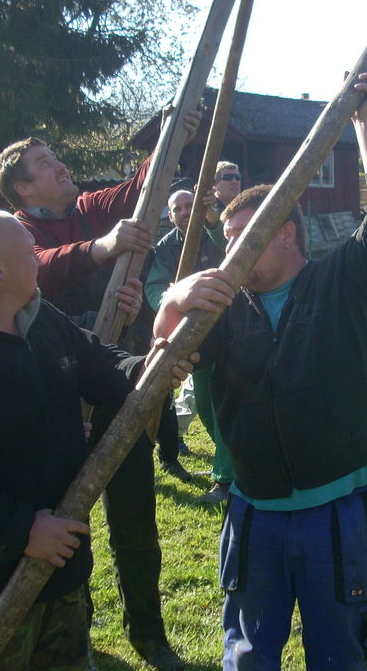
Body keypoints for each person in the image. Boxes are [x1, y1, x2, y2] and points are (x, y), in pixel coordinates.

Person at [153, 62, 367, 670]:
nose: (233, 249)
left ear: (288, 234)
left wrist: (366, 124)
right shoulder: (218, 309)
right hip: (254, 512)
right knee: (247, 657)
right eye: (227, 237)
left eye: (247, 234)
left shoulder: (342, 283)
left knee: (338, 653)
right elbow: (163, 365)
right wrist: (171, 302)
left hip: (336, 510)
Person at [0, 211, 195, 670]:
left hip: (59, 566)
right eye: (28, 254)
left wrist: (143, 370)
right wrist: (22, 531)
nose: (37, 262)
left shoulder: (36, 317)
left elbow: (96, 360)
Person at [0, 128, 197, 671]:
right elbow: (41, 266)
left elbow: (143, 187)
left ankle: (149, 635)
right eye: (45, 163)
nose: (60, 166)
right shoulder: (18, 233)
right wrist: (103, 250)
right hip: (56, 402)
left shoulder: (86, 208)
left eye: (56, 157)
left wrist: (174, 135)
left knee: (135, 521)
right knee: (63, 530)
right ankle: (69, 633)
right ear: (23, 188)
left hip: (114, 387)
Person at [145, 189, 234, 503]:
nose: (185, 212)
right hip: (196, 337)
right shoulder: (165, 248)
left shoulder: (217, 231)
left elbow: (234, 249)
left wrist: (211, 221)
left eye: (189, 205)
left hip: (231, 328)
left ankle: (226, 479)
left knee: (227, 405)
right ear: (170, 216)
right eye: (178, 208)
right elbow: (155, 288)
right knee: (207, 409)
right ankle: (232, 465)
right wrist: (174, 299)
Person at [203, 161, 242, 250]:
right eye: (228, 178)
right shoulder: (207, 209)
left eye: (237, 177)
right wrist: (207, 207)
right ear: (214, 184)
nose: (234, 181)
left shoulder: (245, 209)